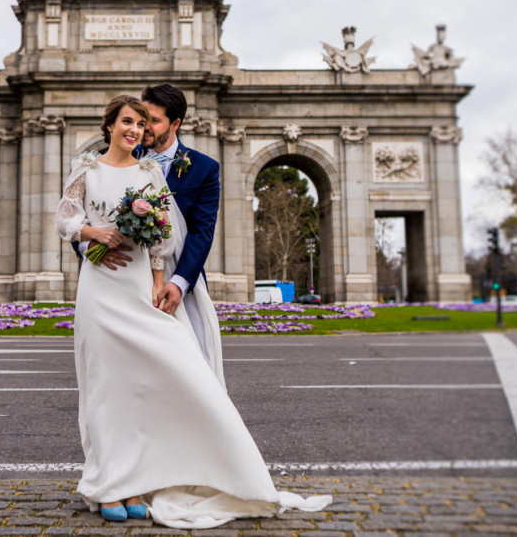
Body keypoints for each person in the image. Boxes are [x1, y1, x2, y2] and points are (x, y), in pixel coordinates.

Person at [55, 94, 332, 529]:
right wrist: (94, 241)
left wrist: (166, 281)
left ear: (174, 123)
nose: (139, 130)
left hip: (154, 288)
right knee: (106, 386)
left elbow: (183, 234)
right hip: (101, 287)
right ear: (109, 125)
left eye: (146, 122)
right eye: (130, 121)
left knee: (175, 377)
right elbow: (68, 220)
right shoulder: (88, 167)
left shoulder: (177, 169)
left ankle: (179, 473)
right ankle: (115, 483)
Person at [78, 83, 219, 361]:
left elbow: (202, 232)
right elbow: (86, 214)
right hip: (123, 277)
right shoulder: (114, 162)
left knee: (188, 360)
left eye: (153, 121)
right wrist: (90, 247)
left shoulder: (205, 168)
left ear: (175, 124)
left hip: (177, 280)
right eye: (143, 119)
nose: (144, 128)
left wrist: (179, 283)